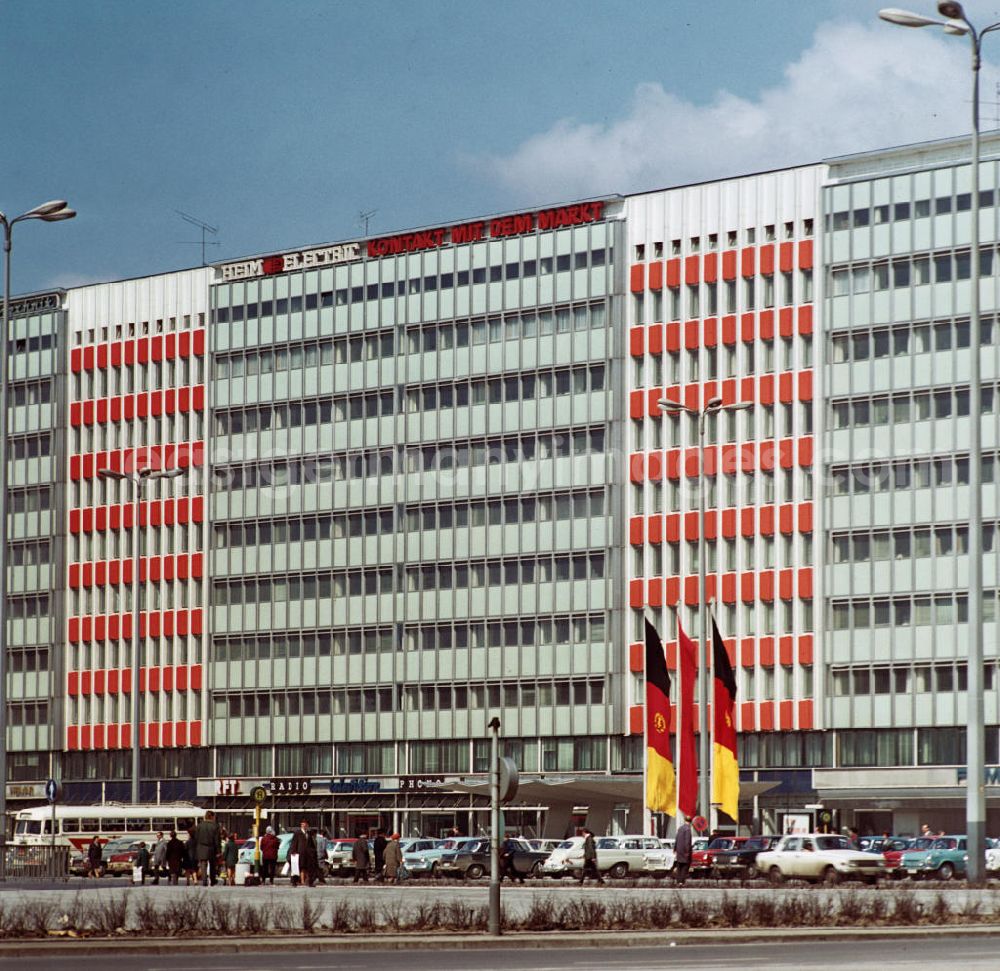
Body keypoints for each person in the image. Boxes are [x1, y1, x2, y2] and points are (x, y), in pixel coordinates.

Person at [194, 810, 222, 886]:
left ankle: (204, 880)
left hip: (201, 847)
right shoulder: (215, 826)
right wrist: (219, 851)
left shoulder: (199, 825)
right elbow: (217, 840)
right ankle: (212, 880)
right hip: (211, 848)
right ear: (212, 817)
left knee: (203, 864)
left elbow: (196, 837)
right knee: (212, 864)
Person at [290, 820, 319, 888]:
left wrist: (313, 852)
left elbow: (311, 844)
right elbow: (294, 843)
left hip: (308, 854)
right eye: (303, 824)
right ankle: (295, 882)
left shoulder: (308, 834)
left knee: (309, 868)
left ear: (307, 826)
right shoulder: (297, 833)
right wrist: (293, 851)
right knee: (297, 868)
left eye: (305, 825)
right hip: (300, 854)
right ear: (301, 825)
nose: (304, 826)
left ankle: (310, 882)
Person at [674, 820, 693, 887]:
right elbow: (687, 841)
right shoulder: (688, 829)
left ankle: (678, 881)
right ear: (690, 822)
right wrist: (687, 852)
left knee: (679, 866)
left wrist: (675, 848)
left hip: (679, 850)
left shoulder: (680, 828)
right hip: (685, 851)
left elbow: (676, 839)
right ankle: (682, 882)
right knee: (685, 867)